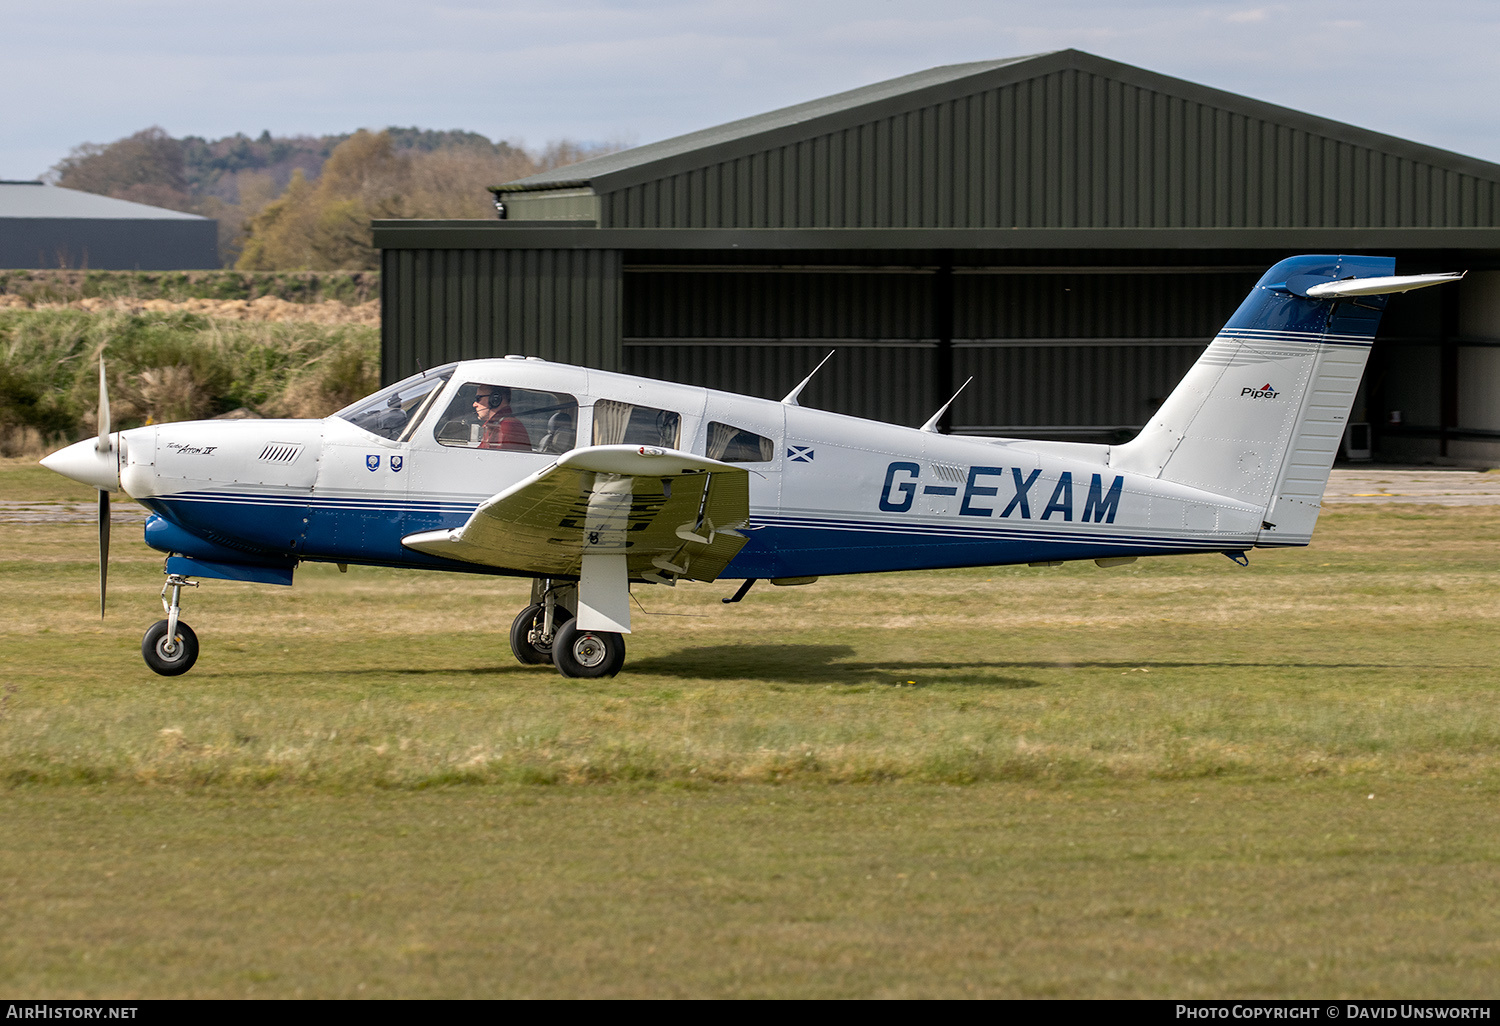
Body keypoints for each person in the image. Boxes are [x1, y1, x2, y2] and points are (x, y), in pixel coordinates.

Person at [473, 384, 531, 451]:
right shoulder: (494, 425)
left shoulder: (505, 427)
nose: (474, 404)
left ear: (495, 399)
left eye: (478, 399)